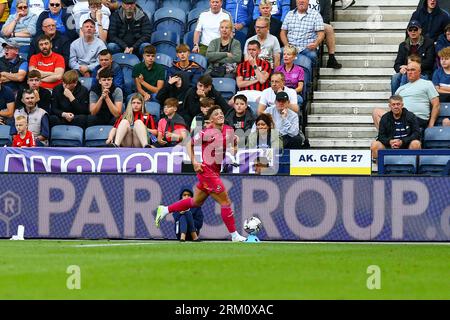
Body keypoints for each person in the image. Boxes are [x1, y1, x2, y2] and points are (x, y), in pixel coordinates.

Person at [155, 105, 247, 242]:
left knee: (195, 202)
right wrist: (194, 162)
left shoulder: (229, 130)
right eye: (216, 114)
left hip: (215, 171)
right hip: (206, 171)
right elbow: (188, 144)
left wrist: (234, 149)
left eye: (221, 113)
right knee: (225, 201)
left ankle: (165, 210)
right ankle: (234, 235)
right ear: (210, 119)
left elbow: (235, 142)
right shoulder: (205, 132)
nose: (220, 115)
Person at [372, 60, 440, 131]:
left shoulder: (427, 84)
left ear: (419, 72)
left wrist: (431, 124)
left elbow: (436, 105)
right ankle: (386, 137)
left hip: (416, 118)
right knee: (376, 112)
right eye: (408, 70)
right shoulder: (400, 88)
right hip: (399, 117)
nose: (410, 72)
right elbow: (393, 107)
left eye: (413, 70)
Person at [370, 95, 421, 161]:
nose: (396, 107)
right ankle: (380, 170)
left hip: (407, 145)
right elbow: (381, 136)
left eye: (398, 104)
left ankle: (413, 169)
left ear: (402, 105)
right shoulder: (385, 118)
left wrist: (402, 142)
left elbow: (417, 134)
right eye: (393, 104)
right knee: (375, 144)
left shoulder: (410, 116)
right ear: (390, 106)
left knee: (416, 143)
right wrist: (390, 142)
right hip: (390, 146)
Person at [391, 20, 435, 94]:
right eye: (410, 30)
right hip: (406, 71)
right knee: (395, 78)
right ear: (408, 32)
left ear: (420, 31)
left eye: (415, 29)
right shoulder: (403, 45)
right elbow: (397, 64)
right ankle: (395, 101)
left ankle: (402, 98)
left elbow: (429, 63)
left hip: (423, 72)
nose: (413, 32)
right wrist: (400, 68)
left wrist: (412, 67)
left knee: (406, 76)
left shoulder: (429, 43)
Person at [280, 0, 325, 65]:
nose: (301, 1)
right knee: (278, 52)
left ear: (308, 1)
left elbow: (321, 34)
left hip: (307, 48)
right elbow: (283, 32)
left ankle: (312, 74)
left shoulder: (316, 15)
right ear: (296, 2)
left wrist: (316, 43)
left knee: (312, 55)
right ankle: (279, 74)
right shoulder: (289, 14)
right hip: (291, 47)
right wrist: (286, 45)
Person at [303, 0, 342, 68]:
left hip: (317, 24)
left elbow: (326, 17)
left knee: (329, 28)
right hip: (301, 22)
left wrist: (316, 24)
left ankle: (331, 58)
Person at [132, 44, 165, 120]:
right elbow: (138, 87)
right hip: (141, 92)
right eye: (148, 55)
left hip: (154, 94)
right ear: (144, 56)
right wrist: (145, 94)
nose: (150, 58)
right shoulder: (137, 67)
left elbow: (158, 90)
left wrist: (143, 82)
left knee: (156, 96)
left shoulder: (160, 68)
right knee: (131, 98)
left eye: (152, 56)